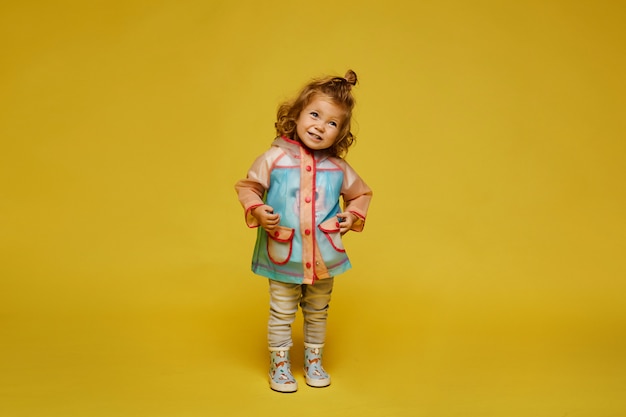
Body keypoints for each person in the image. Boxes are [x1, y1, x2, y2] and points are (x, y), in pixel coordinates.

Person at [235, 70, 372, 393]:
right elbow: (248, 187)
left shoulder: (337, 168)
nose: (320, 126)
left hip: (324, 255)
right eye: (314, 114)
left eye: (332, 123)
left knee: (318, 311)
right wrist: (256, 209)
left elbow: (361, 194)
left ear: (340, 134)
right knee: (281, 311)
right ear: (295, 115)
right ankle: (280, 365)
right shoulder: (275, 158)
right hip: (284, 254)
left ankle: (313, 361)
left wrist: (351, 217)